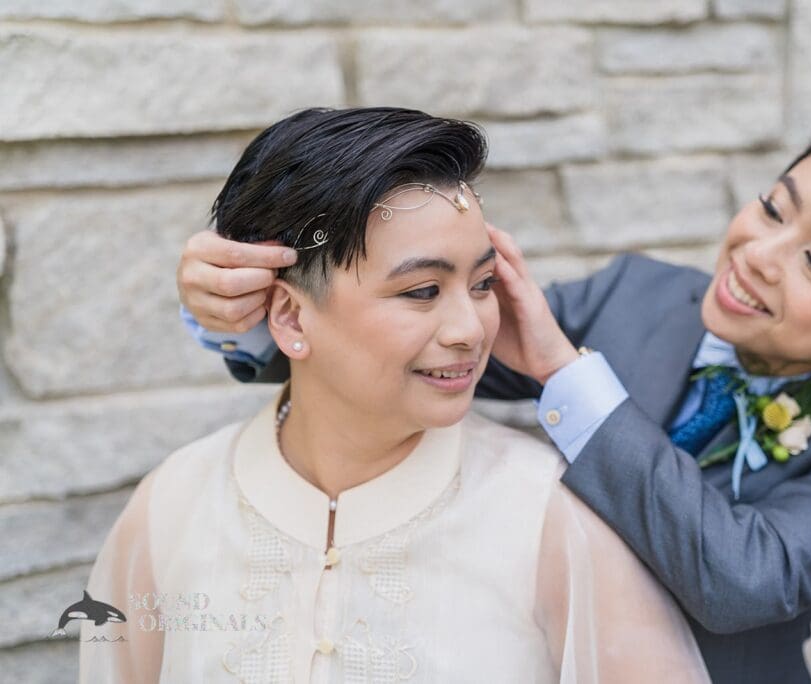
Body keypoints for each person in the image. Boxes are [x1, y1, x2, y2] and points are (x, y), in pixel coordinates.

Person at [177, 110, 811, 683]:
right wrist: (248, 314)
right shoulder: (637, 294)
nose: (759, 253)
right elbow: (405, 358)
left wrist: (565, 370)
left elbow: (746, 583)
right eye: (773, 208)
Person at [81, 107, 710, 683]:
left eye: (483, 284)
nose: (470, 330)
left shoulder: (549, 518)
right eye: (422, 291)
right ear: (291, 317)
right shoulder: (173, 505)